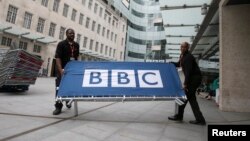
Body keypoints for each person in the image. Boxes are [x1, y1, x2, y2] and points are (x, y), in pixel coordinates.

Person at [168, 42, 206, 125]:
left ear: (187, 48)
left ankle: (183, 116)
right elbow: (179, 64)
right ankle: (197, 119)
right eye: (181, 47)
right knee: (188, 98)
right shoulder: (183, 56)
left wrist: (185, 84)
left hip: (194, 79)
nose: (182, 48)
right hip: (192, 79)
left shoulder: (188, 57)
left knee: (187, 98)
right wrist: (171, 63)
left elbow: (188, 72)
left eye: (184, 47)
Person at [53, 28, 79, 115]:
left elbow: (76, 58)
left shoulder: (76, 45)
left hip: (71, 71)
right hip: (62, 70)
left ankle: (68, 101)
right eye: (70, 33)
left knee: (71, 87)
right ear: (66, 34)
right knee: (59, 88)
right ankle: (58, 106)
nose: (72, 35)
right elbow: (58, 58)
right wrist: (61, 70)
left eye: (73, 33)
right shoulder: (61, 44)